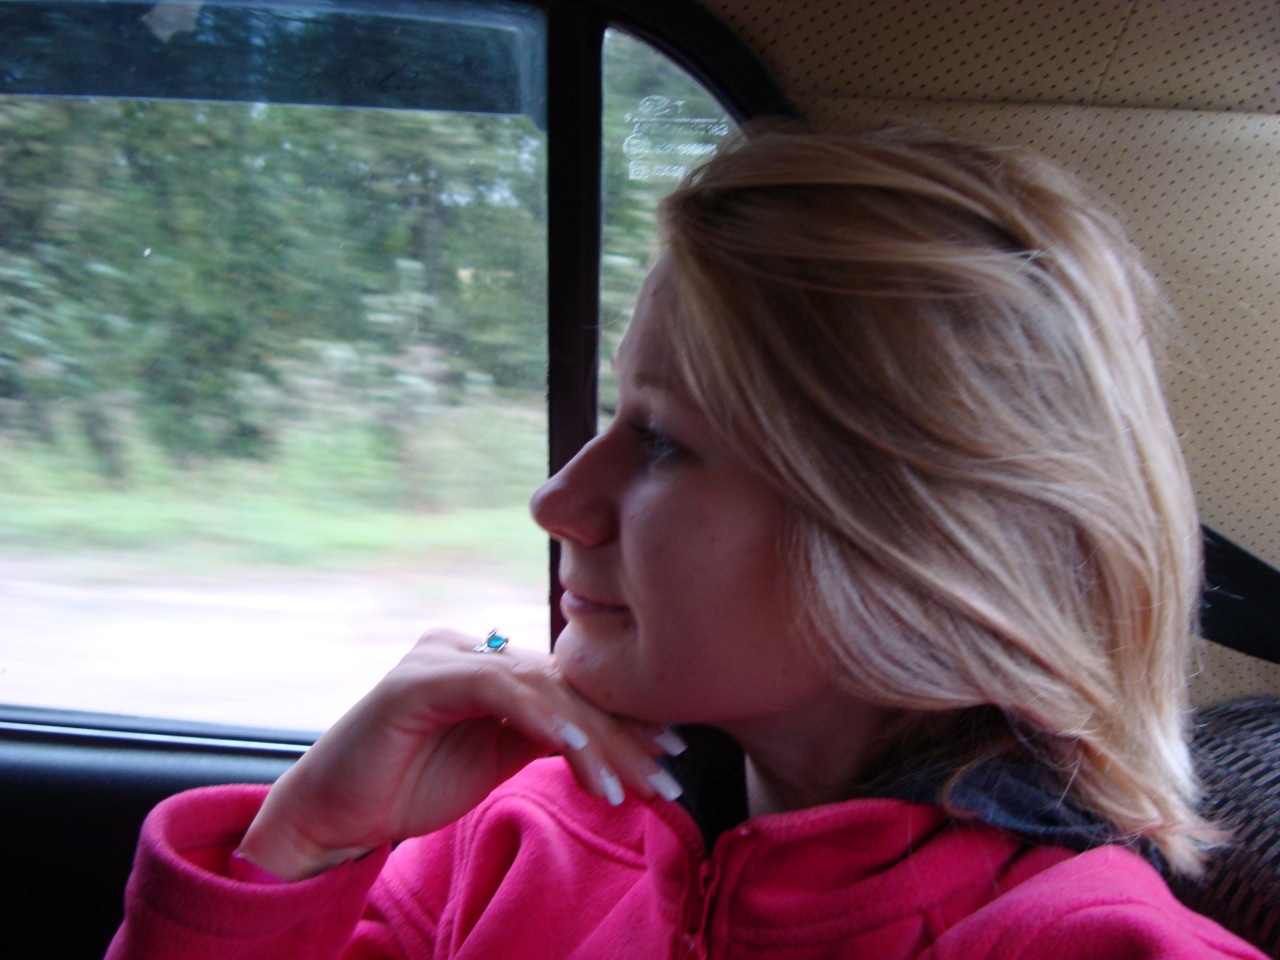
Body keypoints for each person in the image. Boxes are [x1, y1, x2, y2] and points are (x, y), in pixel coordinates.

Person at [106, 126, 1267, 960]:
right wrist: (304, 838)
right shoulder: (509, 841)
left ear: (904, 534)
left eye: (660, 442)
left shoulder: (1083, 945)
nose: (556, 500)